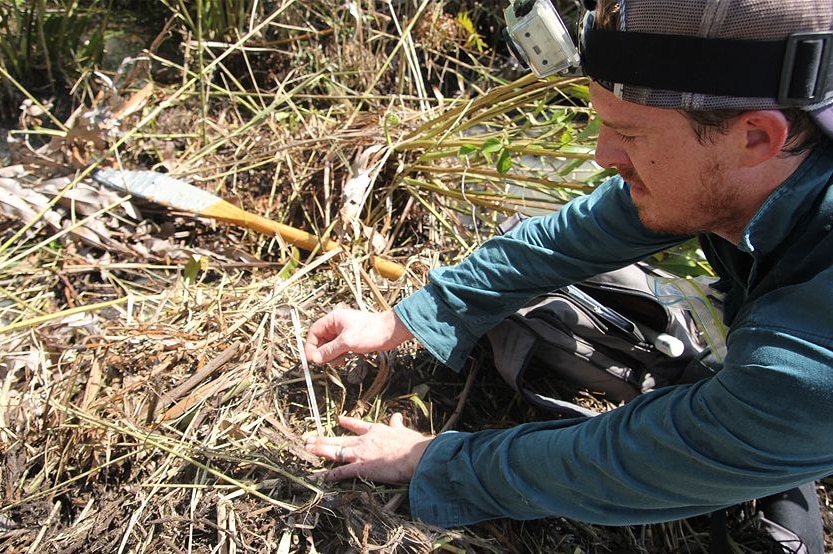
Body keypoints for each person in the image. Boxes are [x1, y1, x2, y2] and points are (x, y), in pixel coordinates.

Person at [304, 0, 833, 551]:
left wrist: (429, 459)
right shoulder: (758, 163)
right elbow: (567, 238)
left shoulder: (815, 346)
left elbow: (632, 461)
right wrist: (405, 318)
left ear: (755, 137)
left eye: (629, 134)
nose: (603, 155)